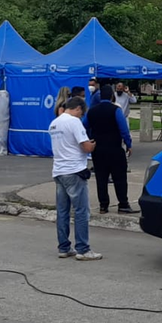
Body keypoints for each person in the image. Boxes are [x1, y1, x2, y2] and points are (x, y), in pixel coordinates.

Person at [48, 97, 102, 261]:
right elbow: (86, 147)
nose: (81, 115)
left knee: (62, 211)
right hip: (74, 170)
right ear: (78, 108)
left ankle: (64, 247)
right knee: (81, 211)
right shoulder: (74, 122)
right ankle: (83, 249)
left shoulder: (54, 123)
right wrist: (93, 144)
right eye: (81, 113)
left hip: (59, 171)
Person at [85, 85, 134, 214]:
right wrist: (128, 144)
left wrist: (90, 138)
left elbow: (84, 126)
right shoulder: (116, 110)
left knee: (101, 178)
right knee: (120, 177)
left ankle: (103, 205)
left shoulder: (91, 111)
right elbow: (123, 129)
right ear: (112, 96)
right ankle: (123, 204)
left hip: (98, 149)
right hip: (114, 148)